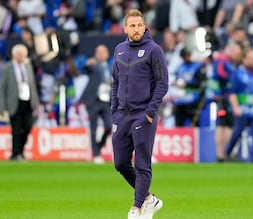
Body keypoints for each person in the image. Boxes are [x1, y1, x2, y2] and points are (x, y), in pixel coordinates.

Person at [110, 9, 168, 219]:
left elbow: (162, 83)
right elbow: (115, 82)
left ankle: (136, 208)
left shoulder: (154, 50)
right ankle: (149, 200)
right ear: (125, 28)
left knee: (143, 165)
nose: (136, 29)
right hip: (121, 116)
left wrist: (150, 112)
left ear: (145, 27)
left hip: (143, 114)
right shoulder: (119, 50)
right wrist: (114, 111)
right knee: (120, 164)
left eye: (139, 25)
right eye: (132, 25)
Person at [0, 44, 39, 160]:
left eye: (23, 54)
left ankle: (20, 150)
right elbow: (1, 88)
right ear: (14, 55)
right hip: (14, 102)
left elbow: (32, 86)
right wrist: (1, 106)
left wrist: (36, 103)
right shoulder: (7, 68)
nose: (21, 56)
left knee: (28, 126)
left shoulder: (28, 67)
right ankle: (15, 154)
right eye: (19, 54)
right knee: (15, 129)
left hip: (27, 101)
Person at [225, 48, 253, 162]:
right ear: (243, 59)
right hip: (242, 109)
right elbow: (232, 92)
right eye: (250, 58)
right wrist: (235, 107)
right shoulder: (238, 73)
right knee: (237, 132)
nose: (252, 61)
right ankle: (227, 153)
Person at [208, 42, 243, 162]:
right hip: (224, 98)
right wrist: (231, 78)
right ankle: (223, 154)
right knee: (225, 125)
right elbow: (220, 74)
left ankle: (222, 154)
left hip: (222, 98)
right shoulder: (222, 61)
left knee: (224, 125)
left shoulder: (223, 61)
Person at [79, 44, 112, 164]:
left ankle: (98, 146)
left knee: (109, 126)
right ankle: (96, 154)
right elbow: (85, 68)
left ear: (107, 54)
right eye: (98, 52)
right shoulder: (94, 65)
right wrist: (87, 64)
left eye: (103, 52)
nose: (101, 54)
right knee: (93, 127)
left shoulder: (109, 67)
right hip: (93, 100)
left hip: (106, 101)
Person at [173, 47, 207, 127]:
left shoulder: (198, 66)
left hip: (193, 101)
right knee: (178, 125)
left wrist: (187, 85)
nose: (186, 58)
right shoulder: (180, 67)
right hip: (181, 101)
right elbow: (177, 80)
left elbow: (201, 84)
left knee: (194, 125)